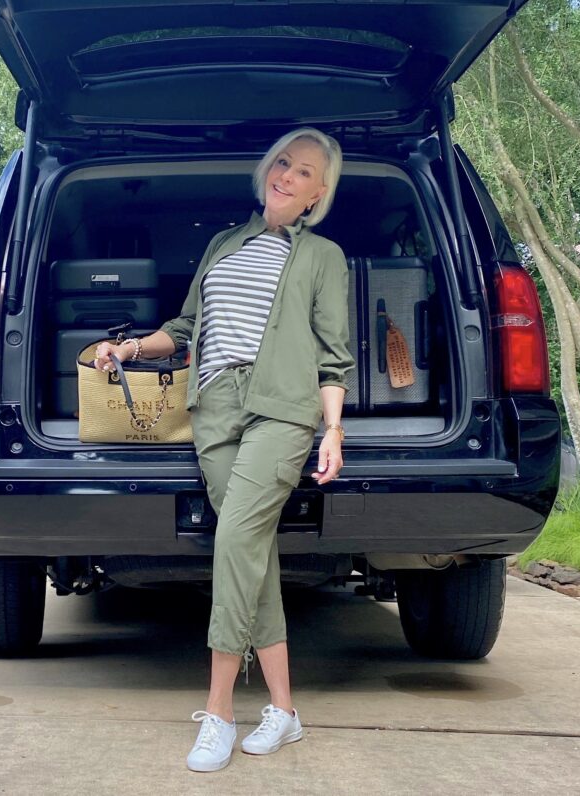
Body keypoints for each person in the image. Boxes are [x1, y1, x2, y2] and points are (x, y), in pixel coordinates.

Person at [93, 128, 353, 772]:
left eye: (304, 172)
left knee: (235, 539)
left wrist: (333, 430)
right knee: (252, 553)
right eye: (283, 163)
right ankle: (285, 711)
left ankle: (217, 711)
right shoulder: (223, 245)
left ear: (320, 192)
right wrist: (126, 348)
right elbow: (183, 330)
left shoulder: (322, 256)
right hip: (214, 411)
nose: (287, 176)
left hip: (280, 408)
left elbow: (333, 355)